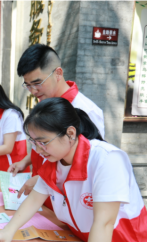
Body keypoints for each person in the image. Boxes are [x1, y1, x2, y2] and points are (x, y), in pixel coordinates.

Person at [0, 98, 147, 242]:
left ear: (70, 133)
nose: (38, 151)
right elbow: (33, 200)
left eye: (43, 142)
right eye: (34, 142)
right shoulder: (54, 162)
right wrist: (8, 231)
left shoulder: (107, 159)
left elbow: (104, 224)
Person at [8, 44, 105, 201]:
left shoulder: (86, 111)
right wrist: (25, 161)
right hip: (41, 196)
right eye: (28, 85)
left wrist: (42, 180)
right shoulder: (46, 104)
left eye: (37, 83)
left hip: (68, 201)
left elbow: (89, 164)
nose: (33, 91)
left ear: (58, 73)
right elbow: (42, 147)